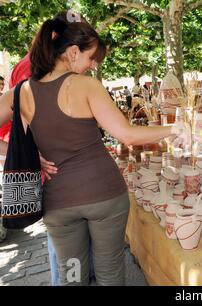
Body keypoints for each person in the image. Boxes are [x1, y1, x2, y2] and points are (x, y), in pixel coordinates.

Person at [0, 13, 182, 286]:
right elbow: (127, 135)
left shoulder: (21, 92)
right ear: (72, 52)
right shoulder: (86, 86)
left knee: (72, 275)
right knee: (109, 272)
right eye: (91, 58)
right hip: (104, 196)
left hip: (59, 203)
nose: (93, 65)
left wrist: (30, 157)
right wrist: (176, 129)